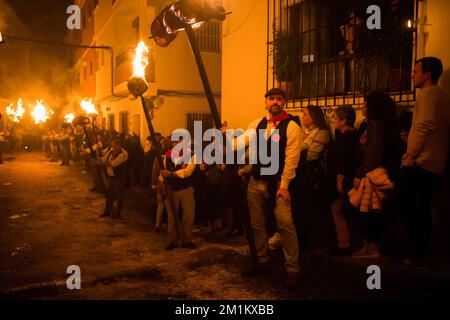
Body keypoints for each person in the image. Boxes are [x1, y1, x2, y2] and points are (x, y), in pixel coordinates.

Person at [226, 87, 302, 289]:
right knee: (257, 225)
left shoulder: (292, 126)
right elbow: (238, 145)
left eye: (279, 98)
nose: (275, 101)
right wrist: (226, 137)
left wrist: (284, 185)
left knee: (285, 225)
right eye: (271, 98)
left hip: (278, 183)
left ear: (284, 102)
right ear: (266, 101)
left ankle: (292, 269)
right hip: (256, 181)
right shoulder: (256, 124)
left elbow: (292, 159)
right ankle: (261, 262)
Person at [399, 57, 450, 264]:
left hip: (422, 161)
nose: (412, 75)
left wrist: (410, 155)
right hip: (433, 160)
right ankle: (420, 252)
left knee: (412, 207)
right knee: (419, 206)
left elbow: (425, 125)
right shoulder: (442, 95)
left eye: (415, 71)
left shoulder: (429, 93)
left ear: (427, 75)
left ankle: (418, 253)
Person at [350, 92, 400, 259]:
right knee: (369, 211)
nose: (362, 107)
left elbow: (372, 153)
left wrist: (360, 173)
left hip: (372, 176)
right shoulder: (371, 125)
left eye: (365, 104)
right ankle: (370, 245)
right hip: (370, 173)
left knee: (369, 210)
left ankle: (371, 246)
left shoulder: (377, 126)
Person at [328, 106, 360, 256]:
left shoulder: (348, 137)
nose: (333, 120)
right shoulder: (346, 135)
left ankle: (345, 244)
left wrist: (339, 180)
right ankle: (345, 243)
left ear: (343, 120)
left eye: (336, 118)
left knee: (340, 209)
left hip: (347, 179)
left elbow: (345, 161)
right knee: (341, 209)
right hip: (348, 177)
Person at [160, 140, 197, 251]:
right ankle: (173, 240)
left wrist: (172, 174)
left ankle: (186, 240)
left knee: (189, 215)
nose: (176, 144)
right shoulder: (168, 154)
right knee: (171, 216)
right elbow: (163, 171)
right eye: (174, 142)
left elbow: (188, 171)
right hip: (172, 189)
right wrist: (162, 182)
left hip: (186, 189)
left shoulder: (191, 154)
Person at [98, 138, 129, 219]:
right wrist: (98, 160)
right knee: (109, 195)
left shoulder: (123, 154)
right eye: (112, 145)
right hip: (111, 178)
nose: (112, 147)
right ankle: (107, 211)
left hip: (119, 179)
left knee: (119, 197)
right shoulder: (111, 151)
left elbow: (113, 164)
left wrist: (101, 164)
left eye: (114, 146)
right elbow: (104, 158)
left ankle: (117, 214)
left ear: (119, 146)